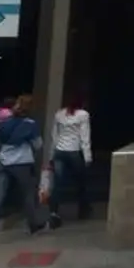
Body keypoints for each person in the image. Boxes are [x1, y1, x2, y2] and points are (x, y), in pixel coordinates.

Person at [0, 94, 46, 243]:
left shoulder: (5, 123)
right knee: (28, 194)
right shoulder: (30, 124)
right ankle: (33, 225)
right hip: (22, 163)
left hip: (3, 162)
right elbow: (38, 144)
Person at [47, 94, 93, 228]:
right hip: (74, 152)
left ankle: (54, 213)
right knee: (81, 182)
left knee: (58, 184)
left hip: (59, 151)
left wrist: (51, 155)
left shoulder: (59, 114)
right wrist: (87, 156)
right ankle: (83, 209)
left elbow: (54, 136)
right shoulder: (83, 115)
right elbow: (85, 137)